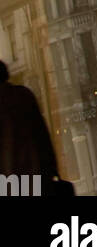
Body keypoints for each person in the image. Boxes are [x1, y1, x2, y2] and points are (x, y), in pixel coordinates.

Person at [0, 59, 60, 190]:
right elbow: (43, 140)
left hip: (9, 185)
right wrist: (52, 172)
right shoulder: (24, 96)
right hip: (35, 177)